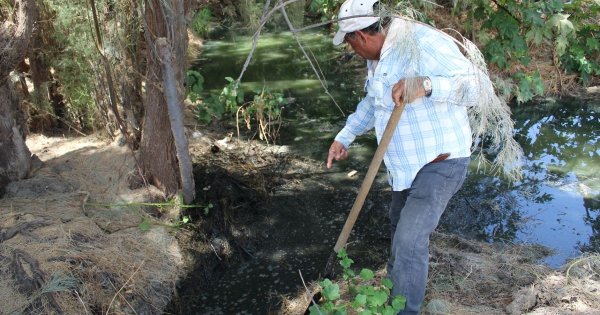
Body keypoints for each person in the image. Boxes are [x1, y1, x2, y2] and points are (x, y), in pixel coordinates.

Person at [326, 0, 484, 313]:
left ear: (362, 37)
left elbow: (477, 87)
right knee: (399, 237)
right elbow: (374, 103)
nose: (351, 50)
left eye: (349, 43)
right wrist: (344, 137)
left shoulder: (423, 42)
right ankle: (393, 298)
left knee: (410, 241)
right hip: (405, 168)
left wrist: (426, 85)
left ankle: (404, 311)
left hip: (441, 161)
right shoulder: (378, 57)